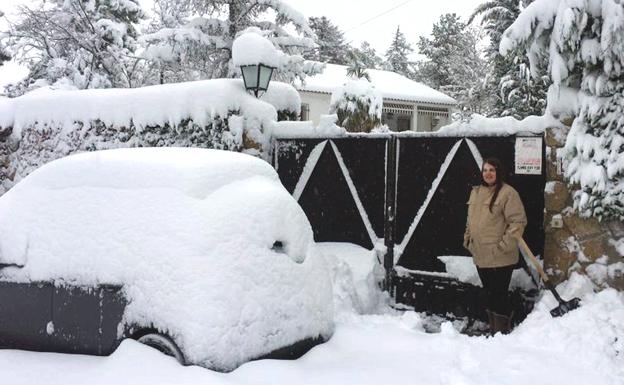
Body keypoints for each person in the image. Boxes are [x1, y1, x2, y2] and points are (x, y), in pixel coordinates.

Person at [463, 157, 527, 334]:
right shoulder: (476, 192)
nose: (488, 174)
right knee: (489, 294)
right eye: (485, 170)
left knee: (499, 295)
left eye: (492, 170)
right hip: (481, 254)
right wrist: (468, 239)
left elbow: (518, 222)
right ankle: (494, 329)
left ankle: (500, 332)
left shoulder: (508, 193)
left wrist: (503, 246)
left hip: (500, 256)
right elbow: (470, 220)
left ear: (498, 172)